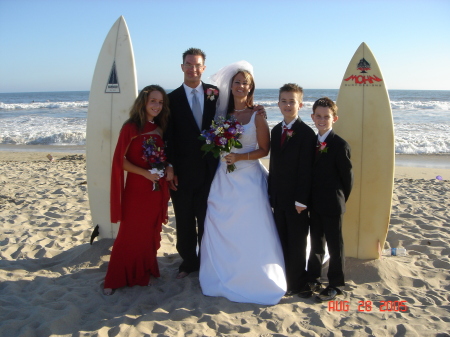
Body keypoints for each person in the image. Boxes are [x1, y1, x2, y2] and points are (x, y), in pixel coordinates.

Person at [199, 61, 287, 305]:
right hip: (224, 178)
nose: (240, 86)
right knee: (220, 223)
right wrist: (223, 151)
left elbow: (264, 149)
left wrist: (239, 157)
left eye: (245, 83)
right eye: (237, 82)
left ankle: (254, 274)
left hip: (248, 178)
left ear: (251, 88)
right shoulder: (222, 115)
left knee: (250, 226)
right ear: (231, 85)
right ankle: (221, 272)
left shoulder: (257, 114)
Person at [103, 85, 171, 295]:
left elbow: (164, 157)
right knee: (129, 233)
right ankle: (114, 279)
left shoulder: (159, 128)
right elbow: (119, 161)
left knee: (147, 232)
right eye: (153, 101)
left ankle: (143, 271)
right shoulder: (131, 128)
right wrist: (144, 174)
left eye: (160, 102)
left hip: (156, 189)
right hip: (137, 188)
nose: (157, 106)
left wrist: (167, 167)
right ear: (143, 102)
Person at [166, 48, 220, 279]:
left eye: (197, 65)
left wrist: (256, 109)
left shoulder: (215, 94)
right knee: (185, 218)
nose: (193, 69)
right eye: (189, 64)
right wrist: (170, 167)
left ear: (204, 68)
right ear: (182, 67)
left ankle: (207, 259)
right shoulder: (171, 99)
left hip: (210, 170)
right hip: (182, 171)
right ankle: (189, 261)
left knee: (207, 217)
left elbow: (235, 112)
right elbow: (167, 136)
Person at [301, 97, 353, 301]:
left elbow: (347, 179)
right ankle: (313, 278)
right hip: (314, 203)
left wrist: (338, 200)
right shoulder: (310, 143)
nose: (322, 120)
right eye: (318, 116)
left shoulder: (340, 145)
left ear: (335, 118)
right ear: (313, 117)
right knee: (315, 243)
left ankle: (336, 283)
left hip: (332, 204)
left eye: (326, 116)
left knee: (334, 245)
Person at [268, 83, 317, 296]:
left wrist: (302, 200)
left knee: (297, 242)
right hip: (278, 197)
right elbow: (275, 165)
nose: (288, 105)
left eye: (292, 101)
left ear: (301, 105)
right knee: (281, 240)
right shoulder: (276, 130)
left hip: (297, 201)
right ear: (278, 103)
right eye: (284, 101)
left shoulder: (307, 134)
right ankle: (284, 279)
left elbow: (307, 171)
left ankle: (297, 282)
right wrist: (271, 194)